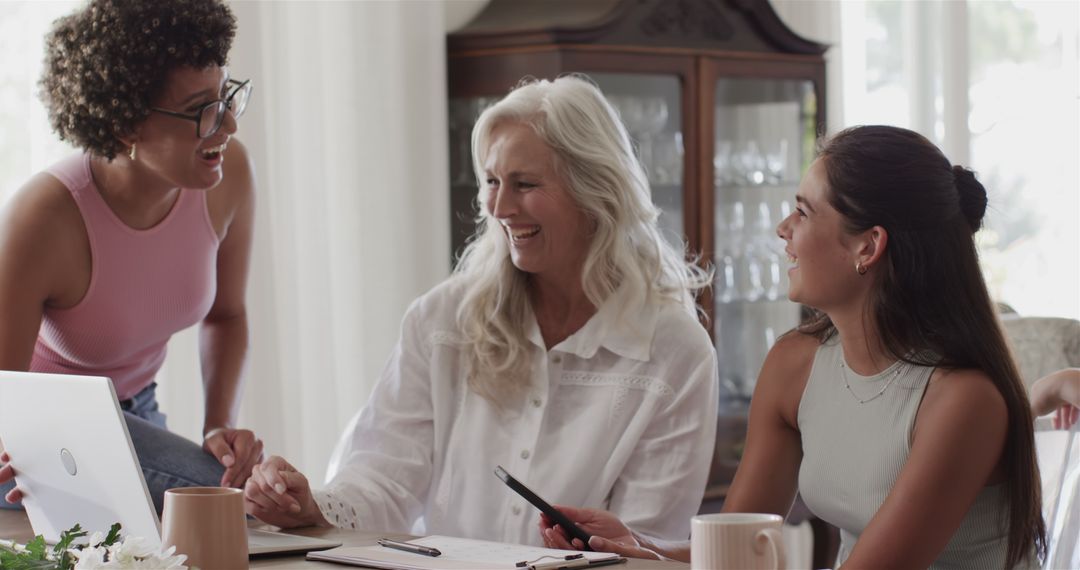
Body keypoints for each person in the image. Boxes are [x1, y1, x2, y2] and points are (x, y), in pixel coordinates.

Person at [540, 125, 1047, 569]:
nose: (783, 230)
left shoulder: (962, 399)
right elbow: (735, 549)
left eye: (803, 212)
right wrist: (637, 545)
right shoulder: (796, 364)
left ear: (868, 246)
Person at [243, 75, 718, 546]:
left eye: (525, 184)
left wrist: (607, 549)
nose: (500, 206)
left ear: (593, 191)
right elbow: (384, 478)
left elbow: (648, 540)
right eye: (492, 181)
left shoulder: (675, 352)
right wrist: (311, 506)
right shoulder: (440, 321)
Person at [0, 0, 262, 514]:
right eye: (202, 110)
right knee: (234, 502)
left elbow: (227, 315)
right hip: (38, 435)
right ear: (125, 125)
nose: (228, 125)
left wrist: (218, 426)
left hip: (140, 412)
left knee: (237, 497)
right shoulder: (43, 218)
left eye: (226, 96)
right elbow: (4, 394)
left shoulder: (228, 176)